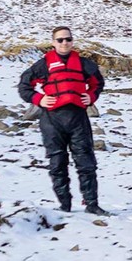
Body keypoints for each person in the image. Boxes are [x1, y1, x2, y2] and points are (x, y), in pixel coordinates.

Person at [17, 26, 109, 215]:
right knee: (57, 163)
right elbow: (24, 85)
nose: (64, 43)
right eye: (60, 40)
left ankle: (92, 204)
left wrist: (91, 97)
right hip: (52, 120)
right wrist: (38, 99)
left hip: (78, 118)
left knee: (86, 163)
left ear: (72, 41)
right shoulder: (43, 65)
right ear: (53, 43)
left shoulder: (84, 63)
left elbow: (98, 82)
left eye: (67, 39)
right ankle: (64, 206)